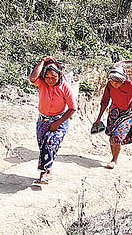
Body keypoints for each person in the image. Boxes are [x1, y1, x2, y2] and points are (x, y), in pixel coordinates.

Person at [93, 65, 132, 169]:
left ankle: (114, 160)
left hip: (127, 113)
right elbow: (104, 101)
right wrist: (98, 118)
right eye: (112, 81)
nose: (114, 84)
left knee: (117, 136)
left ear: (122, 80)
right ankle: (113, 157)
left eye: (116, 82)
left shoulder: (129, 84)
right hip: (114, 112)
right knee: (112, 137)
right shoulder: (109, 85)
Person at [29, 57, 77, 185]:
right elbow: (33, 78)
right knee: (42, 145)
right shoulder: (42, 83)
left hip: (59, 120)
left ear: (59, 75)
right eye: (47, 77)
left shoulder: (64, 87)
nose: (50, 80)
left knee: (50, 143)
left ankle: (45, 172)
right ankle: (47, 170)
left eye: (53, 77)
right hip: (43, 120)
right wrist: (42, 62)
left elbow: (73, 108)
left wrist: (58, 123)